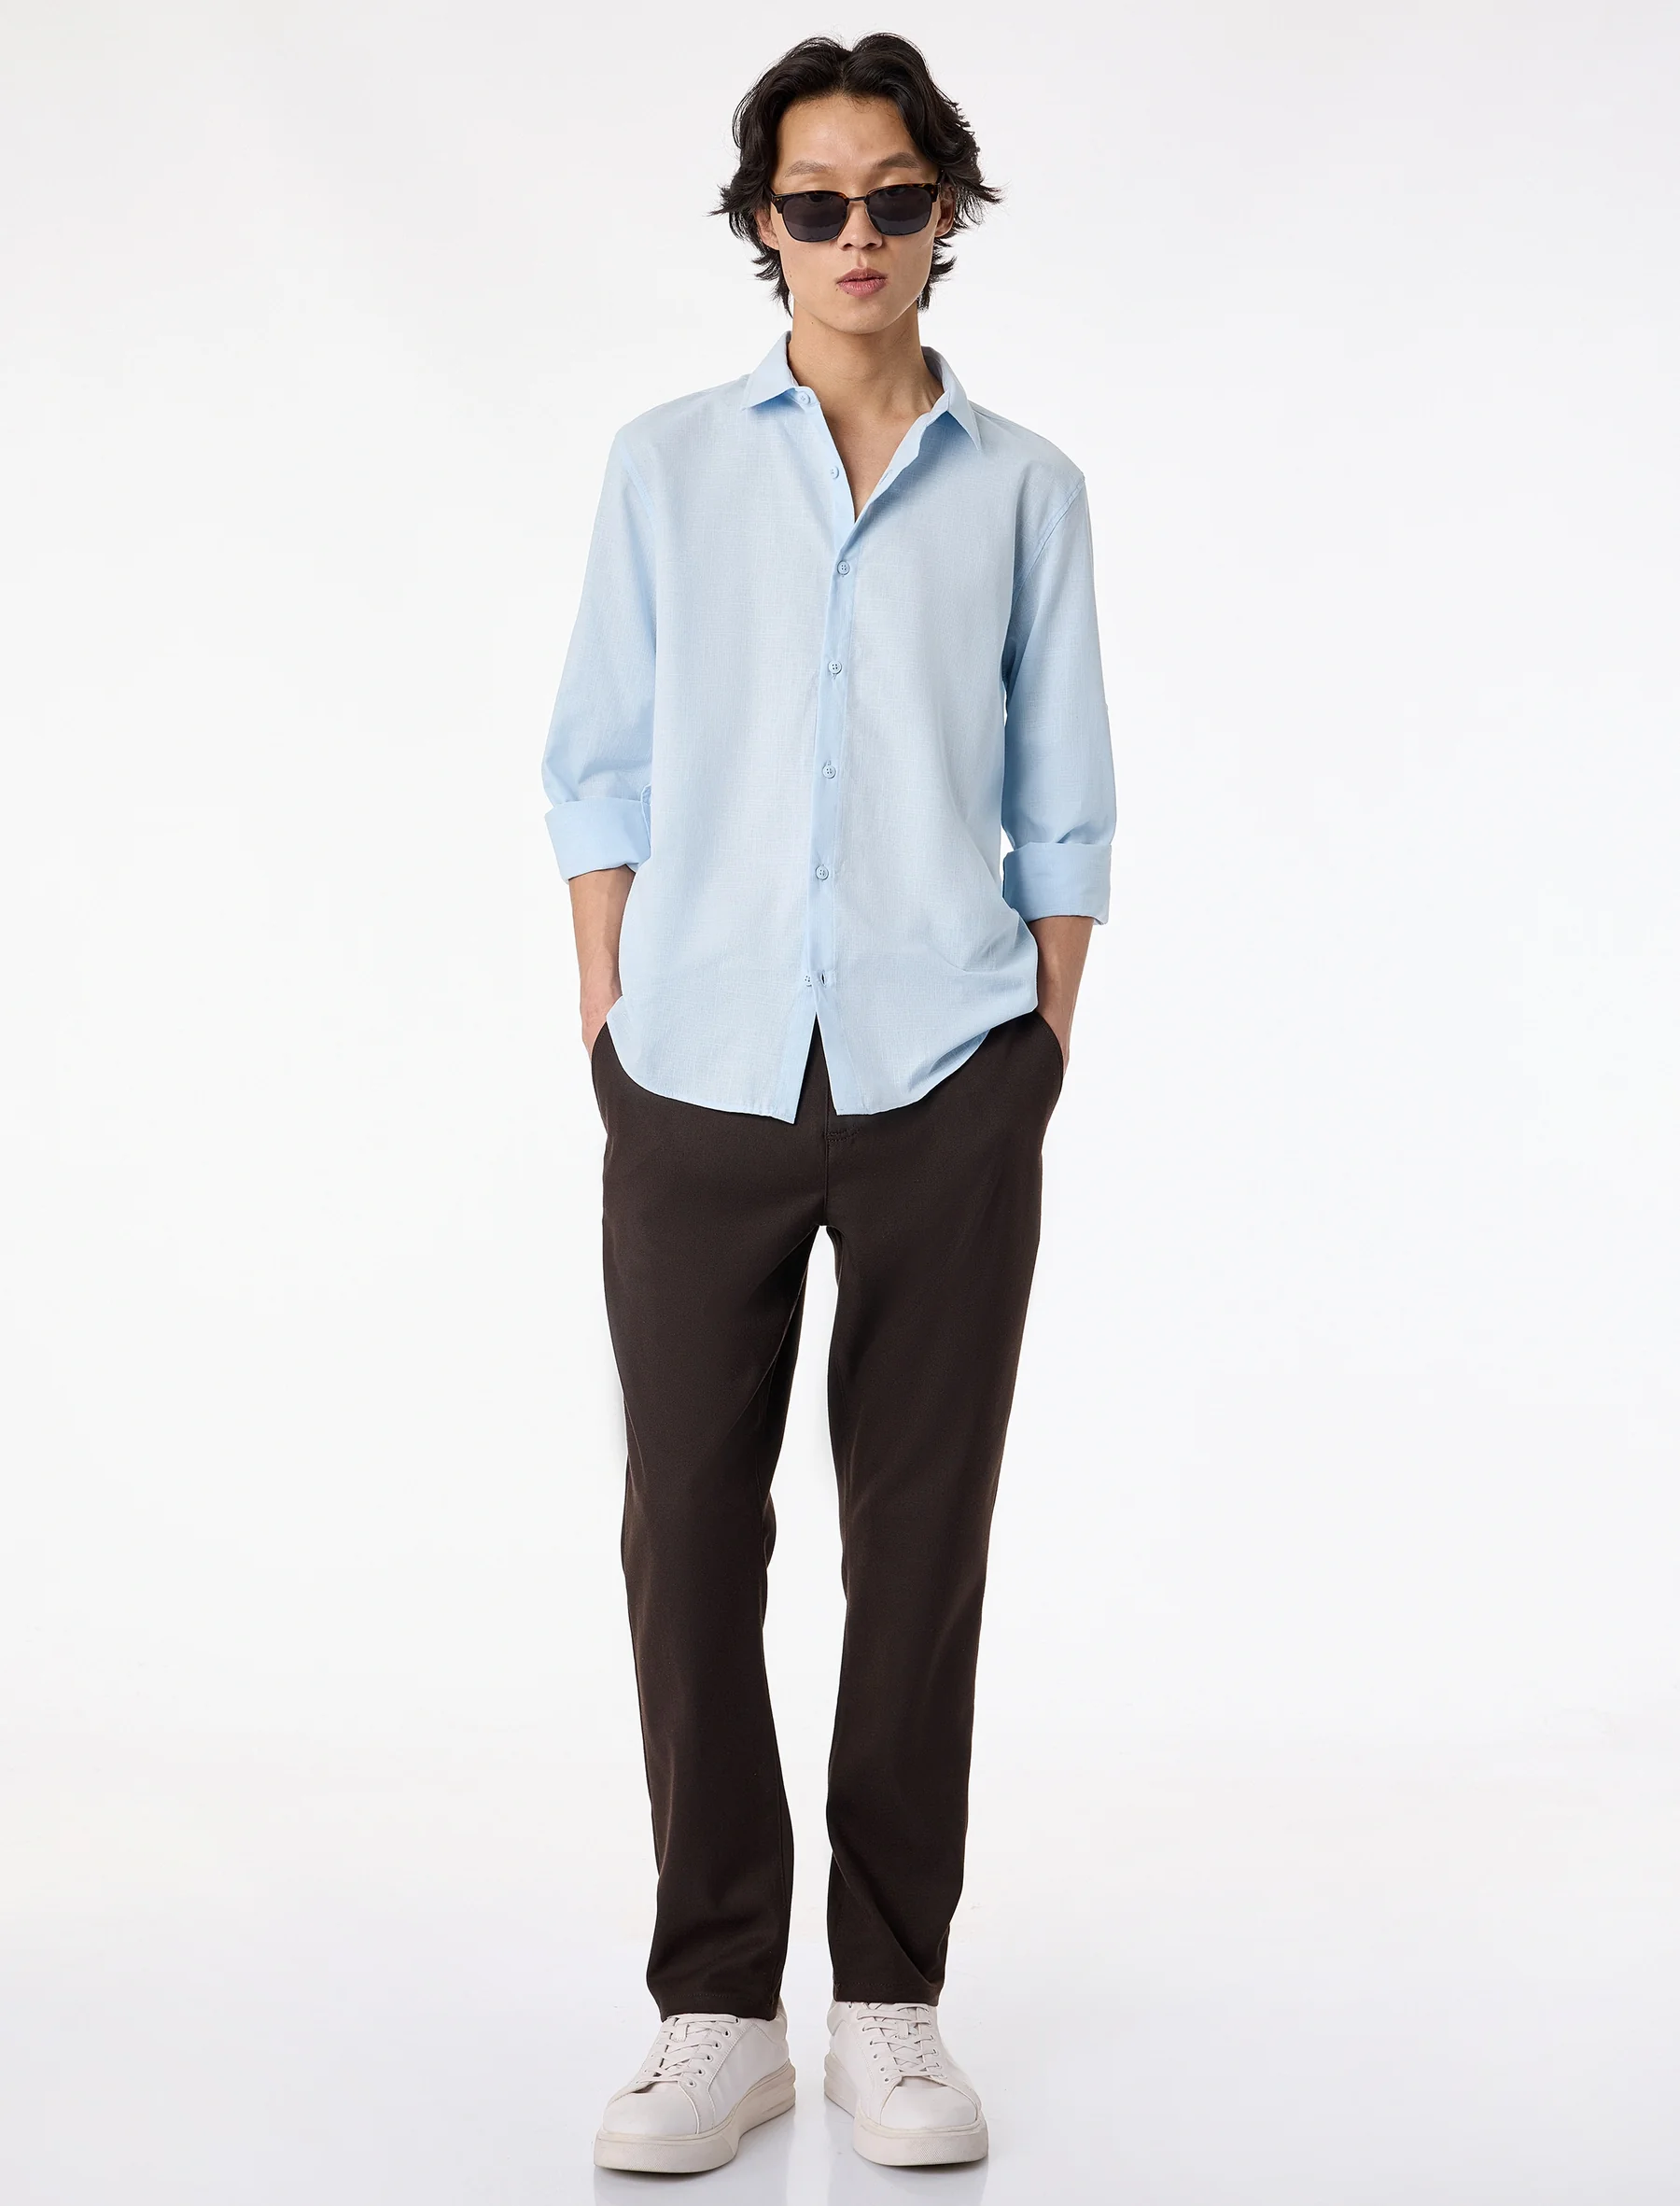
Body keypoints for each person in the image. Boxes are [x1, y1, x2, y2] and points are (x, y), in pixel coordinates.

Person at [541, 30, 1115, 2177]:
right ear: (761, 223)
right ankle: (716, 2005)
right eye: (814, 201)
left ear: (943, 213)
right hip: (695, 1068)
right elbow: (597, 762)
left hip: (946, 1074)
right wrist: (610, 1011)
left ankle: (886, 1997)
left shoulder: (1030, 491)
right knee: (688, 1528)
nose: (854, 235)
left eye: (893, 197)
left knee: (921, 1536)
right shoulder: (667, 468)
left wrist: (1034, 1055)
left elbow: (1067, 803)